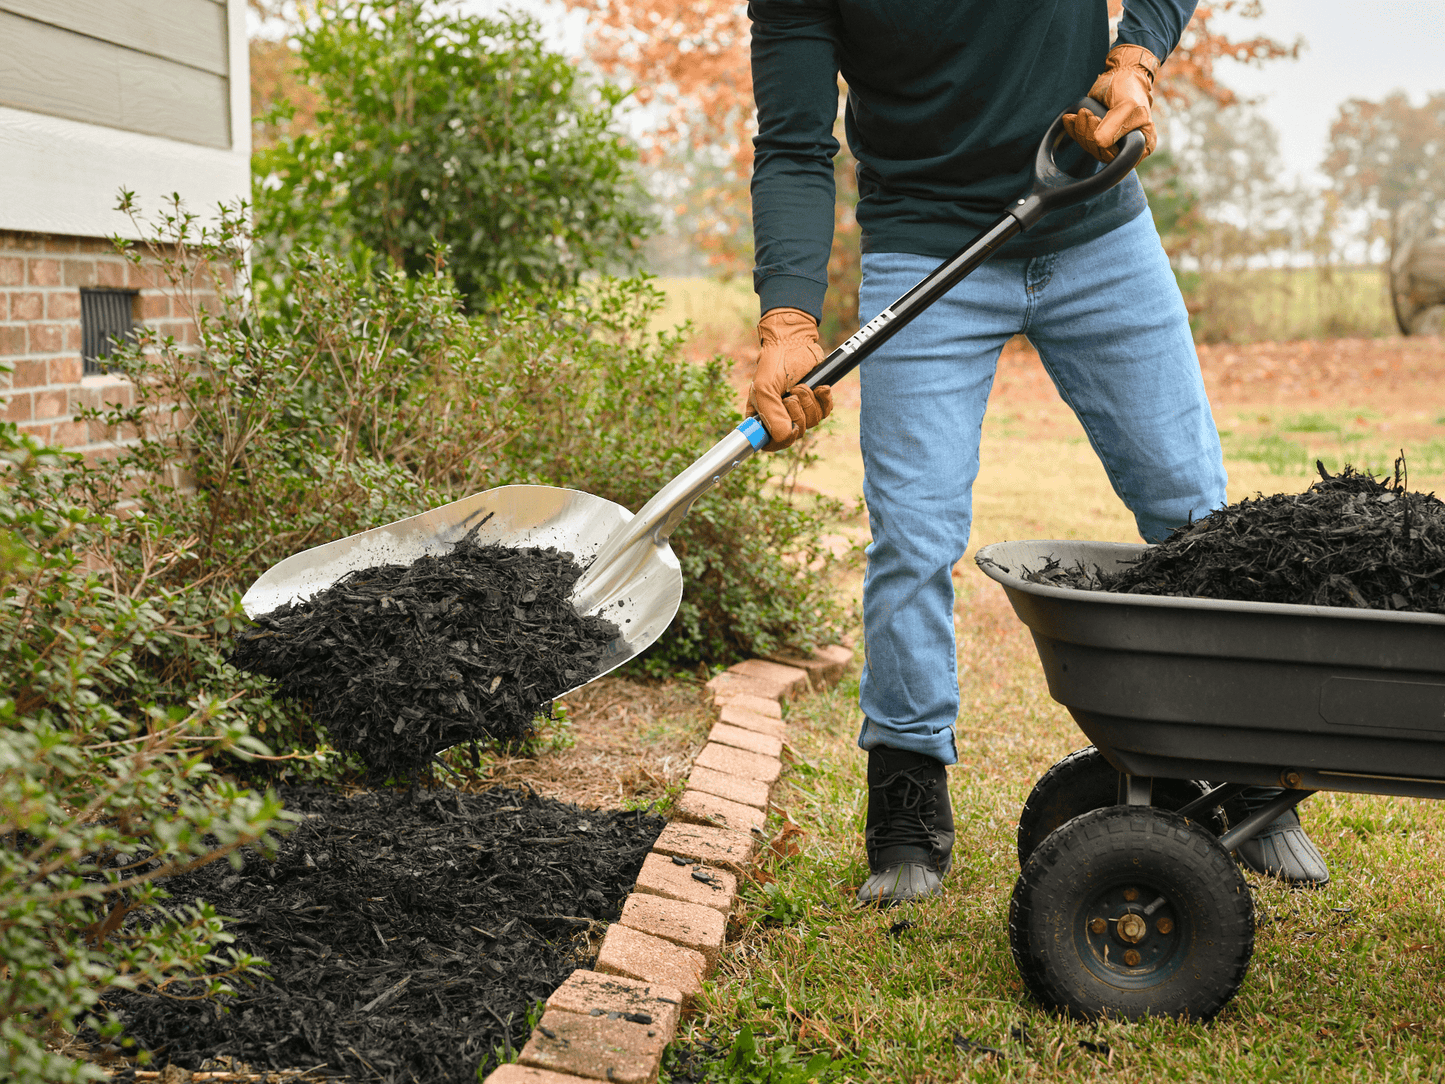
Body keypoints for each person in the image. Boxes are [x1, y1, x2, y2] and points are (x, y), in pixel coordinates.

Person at [745, 0, 1329, 905]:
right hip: (924, 242)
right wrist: (786, 317)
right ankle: (906, 793)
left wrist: (1135, 58)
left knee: (1191, 510)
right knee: (913, 534)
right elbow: (791, 145)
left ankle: (1244, 767)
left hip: (1095, 224)